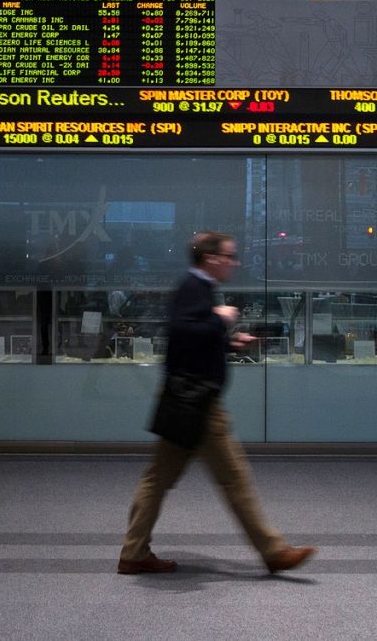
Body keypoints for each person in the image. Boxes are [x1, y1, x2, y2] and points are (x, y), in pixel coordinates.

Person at [118, 231, 317, 575]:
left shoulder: (196, 288)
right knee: (233, 478)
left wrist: (228, 343)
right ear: (211, 259)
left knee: (158, 479)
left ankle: (134, 553)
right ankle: (273, 551)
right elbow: (182, 331)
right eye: (230, 256)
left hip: (189, 400)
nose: (235, 263)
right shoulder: (193, 288)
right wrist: (220, 320)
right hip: (199, 404)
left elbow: (191, 339)